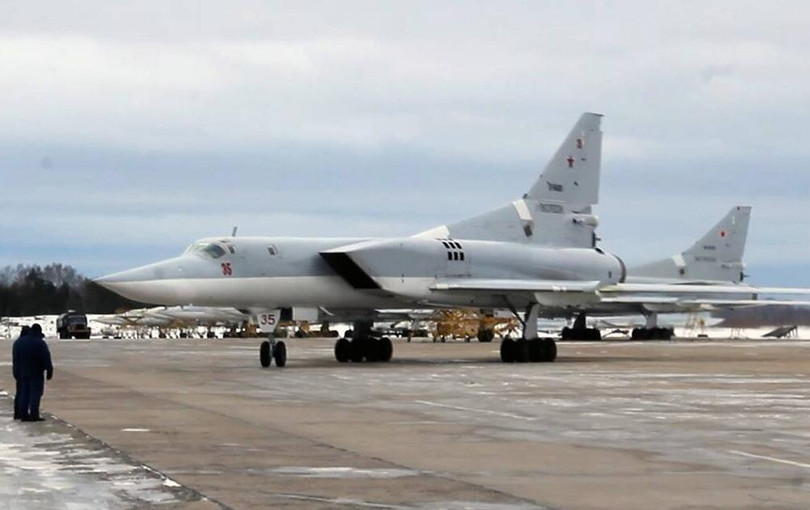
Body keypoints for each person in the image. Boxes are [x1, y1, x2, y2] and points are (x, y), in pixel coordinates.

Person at [16, 324, 53, 422]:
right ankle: (34, 414)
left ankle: (23, 413)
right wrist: (49, 370)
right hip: (36, 371)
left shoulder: (20, 342)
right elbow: (46, 357)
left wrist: (16, 371)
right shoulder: (40, 343)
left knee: (25, 392)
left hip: (23, 371)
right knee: (35, 393)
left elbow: (16, 359)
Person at [12, 325, 30, 420]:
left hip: (18, 370)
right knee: (26, 393)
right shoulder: (27, 342)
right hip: (26, 371)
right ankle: (24, 412)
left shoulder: (17, 343)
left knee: (19, 392)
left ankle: (17, 412)